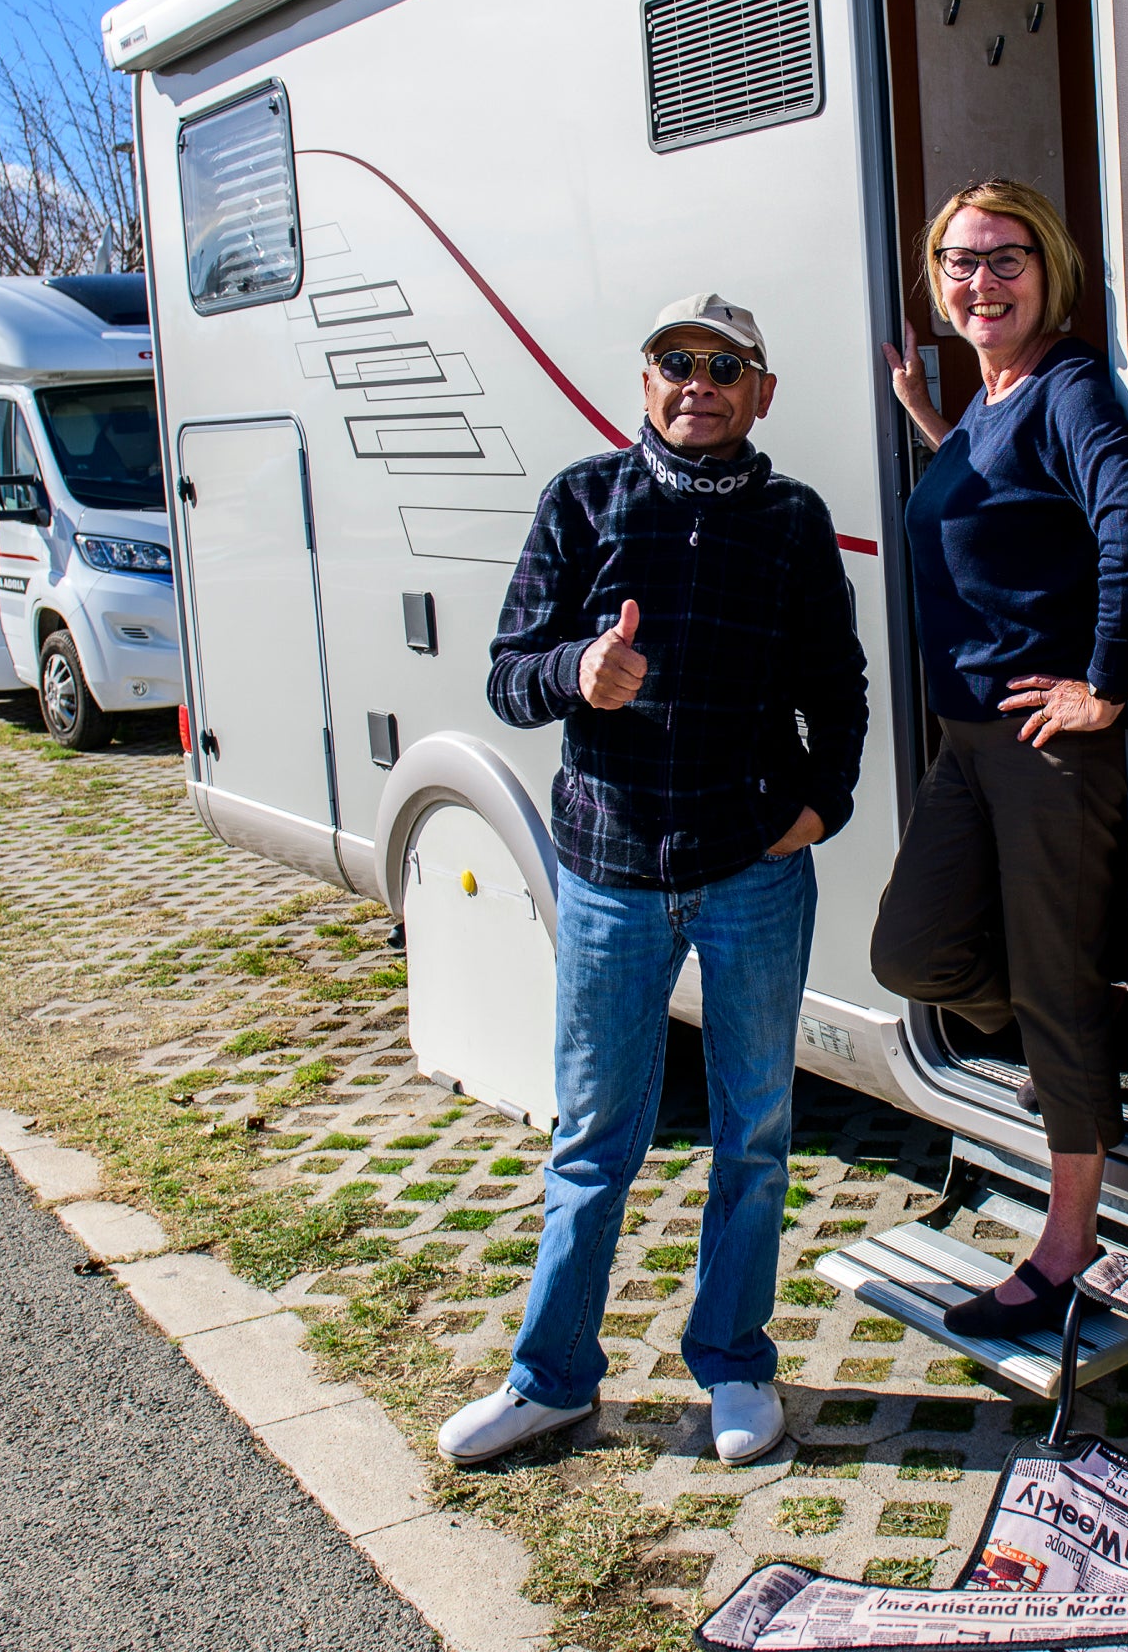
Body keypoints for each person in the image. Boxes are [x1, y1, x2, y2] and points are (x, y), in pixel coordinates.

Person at [437, 292, 870, 1470]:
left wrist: (822, 802)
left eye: (727, 365)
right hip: (611, 879)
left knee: (756, 1135)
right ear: (645, 383)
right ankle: (551, 1379)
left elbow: (838, 681)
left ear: (761, 393)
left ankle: (733, 1363)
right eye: (677, 361)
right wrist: (582, 668)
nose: (700, 381)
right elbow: (507, 673)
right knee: (593, 1137)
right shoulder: (582, 499)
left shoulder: (791, 521)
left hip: (750, 877)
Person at [870, 178, 1128, 1337]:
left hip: (1046, 742)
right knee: (915, 948)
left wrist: (1103, 679)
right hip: (971, 739)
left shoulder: (1071, 383)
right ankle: (1073, 1053)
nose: (979, 282)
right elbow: (1009, 502)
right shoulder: (999, 397)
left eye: (1004, 260)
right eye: (958, 262)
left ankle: (1068, 1238)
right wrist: (934, 427)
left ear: (1048, 270)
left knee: (1053, 982)